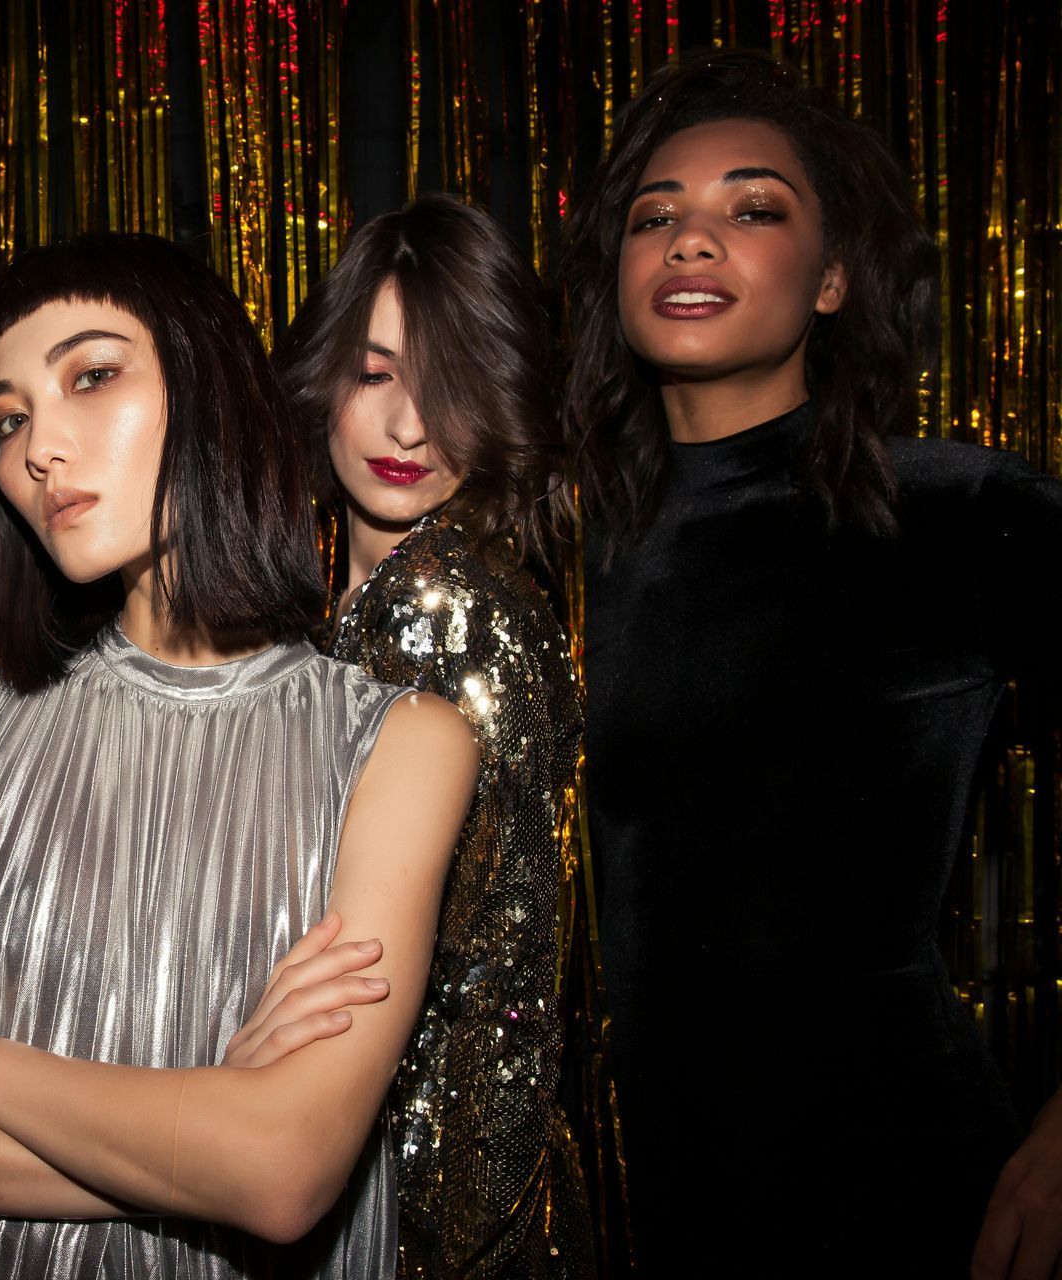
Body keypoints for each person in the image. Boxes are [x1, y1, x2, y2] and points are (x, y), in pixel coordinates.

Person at [0, 231, 479, 1277]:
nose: (38, 447)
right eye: (7, 418)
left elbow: (280, 1169)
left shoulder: (401, 744)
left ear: (209, 384)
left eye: (91, 375)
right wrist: (195, 1137)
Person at [561, 49, 1062, 1276]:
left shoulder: (958, 512)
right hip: (634, 1210)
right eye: (656, 216)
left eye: (753, 208)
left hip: (906, 1188)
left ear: (833, 278)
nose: (691, 241)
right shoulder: (560, 553)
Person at [278, 195, 591, 1278]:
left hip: (419, 1196)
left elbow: (503, 995)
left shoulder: (446, 607)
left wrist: (446, 1247)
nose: (410, 426)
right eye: (375, 373)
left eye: (450, 384)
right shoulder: (347, 602)